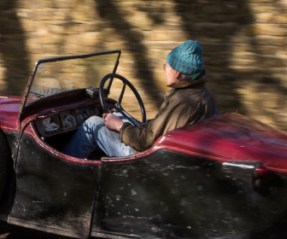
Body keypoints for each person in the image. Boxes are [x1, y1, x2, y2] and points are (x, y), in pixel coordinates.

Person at [63, 40, 219, 159]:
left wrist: (120, 127)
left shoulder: (183, 101)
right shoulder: (202, 94)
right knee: (119, 116)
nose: (165, 69)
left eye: (167, 66)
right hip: (165, 152)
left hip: (146, 159)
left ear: (177, 73)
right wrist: (130, 124)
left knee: (93, 124)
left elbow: (146, 141)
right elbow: (163, 127)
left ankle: (60, 174)